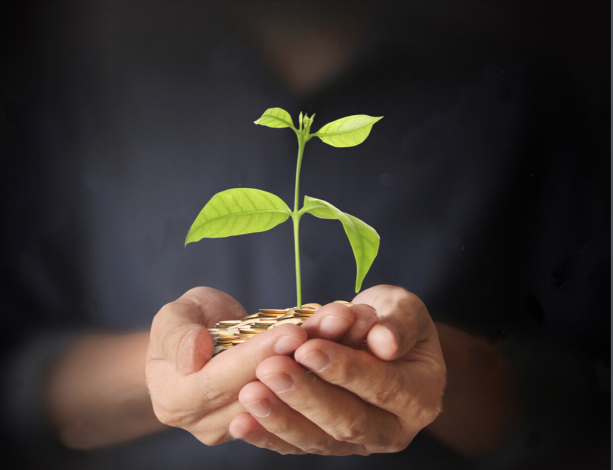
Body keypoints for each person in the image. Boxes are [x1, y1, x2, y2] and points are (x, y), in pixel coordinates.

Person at [1, 1, 609, 469]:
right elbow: (17, 379)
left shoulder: (511, 90)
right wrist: (171, 365)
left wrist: (431, 370)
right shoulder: (92, 87)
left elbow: (580, 394)